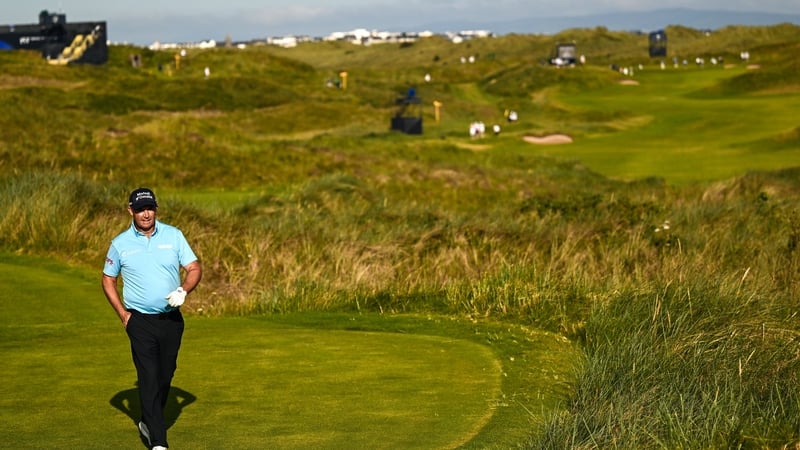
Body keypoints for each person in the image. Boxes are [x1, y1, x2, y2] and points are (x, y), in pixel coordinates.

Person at [102, 187, 202, 450]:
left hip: (171, 320)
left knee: (165, 375)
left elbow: (193, 267)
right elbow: (108, 279)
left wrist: (184, 289)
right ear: (130, 211)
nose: (145, 214)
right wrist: (123, 314)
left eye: (149, 208)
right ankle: (158, 441)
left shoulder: (174, 235)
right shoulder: (120, 243)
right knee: (148, 376)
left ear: (155, 209)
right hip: (140, 322)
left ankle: (148, 419)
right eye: (140, 209)